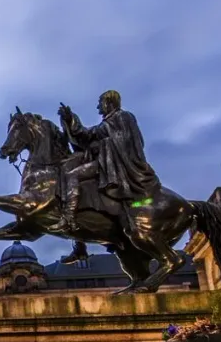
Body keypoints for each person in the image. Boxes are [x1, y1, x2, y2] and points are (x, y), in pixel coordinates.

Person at [51, 90, 162, 234]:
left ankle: (68, 218)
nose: (98, 107)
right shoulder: (109, 121)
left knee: (73, 175)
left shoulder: (123, 117)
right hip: (106, 161)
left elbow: (126, 141)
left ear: (109, 102)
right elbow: (88, 135)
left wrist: (102, 146)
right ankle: (80, 243)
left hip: (116, 164)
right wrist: (69, 118)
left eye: (100, 103)